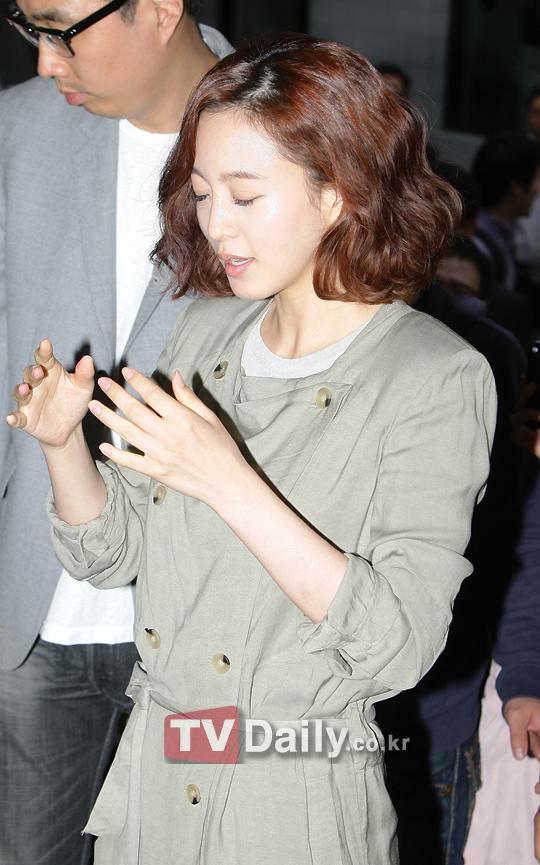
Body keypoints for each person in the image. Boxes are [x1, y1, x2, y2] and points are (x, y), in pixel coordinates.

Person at [7, 34, 496, 863]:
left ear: (339, 191)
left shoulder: (434, 375)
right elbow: (112, 550)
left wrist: (229, 481)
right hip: (158, 781)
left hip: (289, 794)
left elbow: (397, 644)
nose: (214, 224)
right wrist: (63, 446)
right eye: (201, 194)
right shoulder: (206, 332)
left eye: (244, 195)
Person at [0, 0, 231, 862]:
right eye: (27, 27)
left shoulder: (293, 129)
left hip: (212, 629)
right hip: (35, 613)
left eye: (61, 27)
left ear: (161, 9)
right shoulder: (17, 129)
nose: (45, 59)